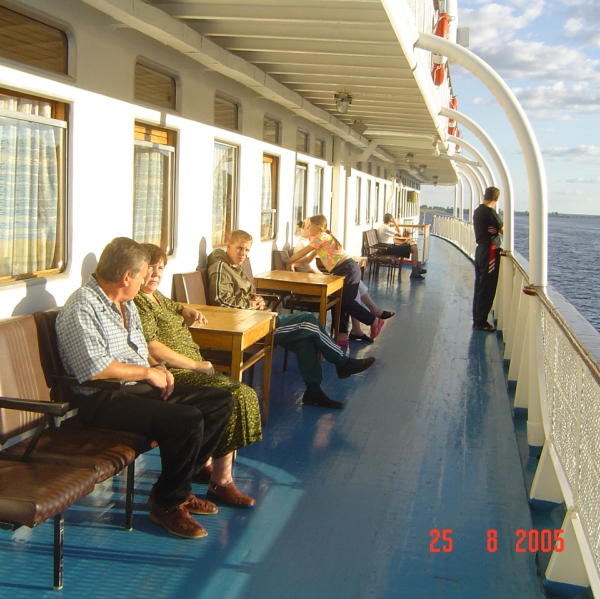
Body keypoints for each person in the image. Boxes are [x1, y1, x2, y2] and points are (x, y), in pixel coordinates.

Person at [56, 237, 235, 539]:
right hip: (103, 400)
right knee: (187, 419)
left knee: (220, 401)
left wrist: (158, 369)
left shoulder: (125, 303)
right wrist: (146, 373)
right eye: (142, 275)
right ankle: (168, 504)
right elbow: (95, 369)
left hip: (135, 388)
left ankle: (176, 489)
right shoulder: (83, 306)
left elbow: (139, 350)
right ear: (127, 276)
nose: (144, 281)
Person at [134, 243, 260, 508]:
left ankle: (204, 461)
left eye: (161, 268)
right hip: (172, 374)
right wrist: (195, 365)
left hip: (189, 367)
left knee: (233, 394)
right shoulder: (138, 301)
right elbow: (152, 347)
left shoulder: (156, 296)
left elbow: (172, 305)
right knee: (236, 394)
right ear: (138, 270)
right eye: (151, 268)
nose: (156, 274)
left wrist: (185, 310)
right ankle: (221, 481)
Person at [207, 229, 376, 410]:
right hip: (249, 328)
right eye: (239, 248)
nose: (243, 253)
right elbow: (220, 300)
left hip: (259, 318)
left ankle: (313, 392)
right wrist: (250, 304)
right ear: (228, 246)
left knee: (305, 341)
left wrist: (257, 299)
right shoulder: (220, 267)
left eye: (247, 250)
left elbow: (246, 293)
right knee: (307, 321)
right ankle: (342, 362)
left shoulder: (236, 266)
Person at [287, 215, 392, 345]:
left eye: (310, 226)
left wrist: (289, 260)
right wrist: (294, 263)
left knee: (346, 301)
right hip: (343, 270)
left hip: (347, 269)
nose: (308, 228)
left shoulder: (321, 237)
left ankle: (374, 320)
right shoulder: (322, 239)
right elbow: (308, 259)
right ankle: (342, 335)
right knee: (340, 300)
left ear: (317, 227)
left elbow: (302, 253)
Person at [472, 187, 503, 332]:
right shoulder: (490, 212)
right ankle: (481, 321)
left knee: (480, 284)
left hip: (481, 250)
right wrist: (499, 230)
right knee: (488, 285)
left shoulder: (478, 210)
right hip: (490, 250)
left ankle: (477, 318)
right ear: (496, 199)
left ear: (485, 196)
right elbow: (503, 228)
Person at [377, 214, 427, 279]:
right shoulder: (385, 228)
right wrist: (395, 223)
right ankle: (415, 270)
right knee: (414, 247)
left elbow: (393, 240)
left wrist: (403, 243)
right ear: (391, 220)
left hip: (389, 248)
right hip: (388, 249)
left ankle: (416, 269)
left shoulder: (383, 227)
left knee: (413, 244)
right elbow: (399, 233)